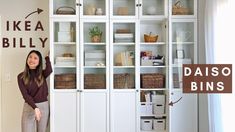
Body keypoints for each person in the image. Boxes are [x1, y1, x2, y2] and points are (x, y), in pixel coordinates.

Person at [17, 50, 52, 132]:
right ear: (27, 59)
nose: (32, 60)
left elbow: (49, 69)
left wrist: (47, 57)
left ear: (39, 62)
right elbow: (25, 95)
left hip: (43, 106)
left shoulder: (43, 74)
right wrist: (35, 108)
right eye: (30, 57)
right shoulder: (20, 76)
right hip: (29, 106)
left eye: (35, 58)